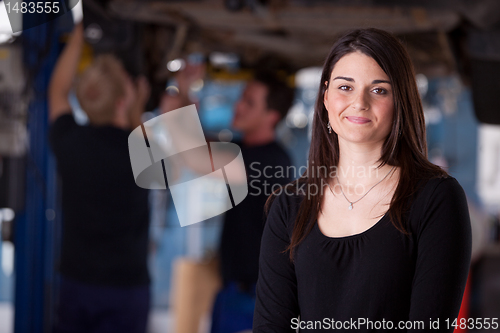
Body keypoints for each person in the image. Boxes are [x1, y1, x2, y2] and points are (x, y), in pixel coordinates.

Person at [253, 28, 472, 332]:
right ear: (326, 96)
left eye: (379, 90)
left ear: (400, 102)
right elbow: (271, 325)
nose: (359, 102)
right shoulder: (289, 205)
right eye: (345, 87)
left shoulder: (436, 199)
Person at [160, 65, 295, 333]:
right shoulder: (247, 148)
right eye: (242, 98)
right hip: (236, 290)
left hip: (254, 299)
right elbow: (197, 145)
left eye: (249, 102)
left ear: (271, 116)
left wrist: (168, 114)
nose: (238, 106)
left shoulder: (270, 161)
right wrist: (184, 89)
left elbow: (196, 158)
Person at [48, 23, 151, 333]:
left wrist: (78, 34)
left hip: (76, 283)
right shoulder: (141, 152)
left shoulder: (69, 143)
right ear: (122, 101)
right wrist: (138, 109)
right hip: (125, 290)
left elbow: (56, 90)